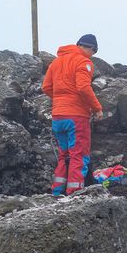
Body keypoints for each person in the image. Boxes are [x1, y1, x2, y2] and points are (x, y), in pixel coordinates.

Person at [42, 34, 103, 195]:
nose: (92, 56)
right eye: (94, 52)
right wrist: (97, 108)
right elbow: (83, 87)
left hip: (58, 117)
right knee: (79, 155)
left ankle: (57, 191)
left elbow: (46, 87)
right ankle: (74, 192)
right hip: (76, 117)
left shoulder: (56, 62)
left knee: (64, 155)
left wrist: (62, 100)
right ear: (90, 47)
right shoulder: (83, 61)